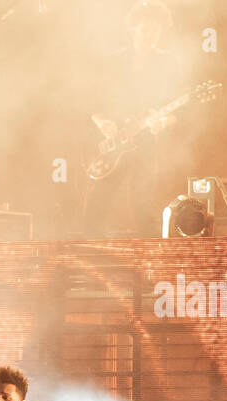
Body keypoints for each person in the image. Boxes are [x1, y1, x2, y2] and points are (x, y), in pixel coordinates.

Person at [81, 0, 182, 237]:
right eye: (146, 28)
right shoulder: (112, 61)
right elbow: (89, 101)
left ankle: (146, 260)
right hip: (111, 142)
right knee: (96, 203)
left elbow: (176, 109)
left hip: (144, 140)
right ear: (133, 28)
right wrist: (103, 122)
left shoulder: (168, 62)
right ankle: (89, 255)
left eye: (157, 29)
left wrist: (163, 122)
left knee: (143, 202)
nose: (151, 34)